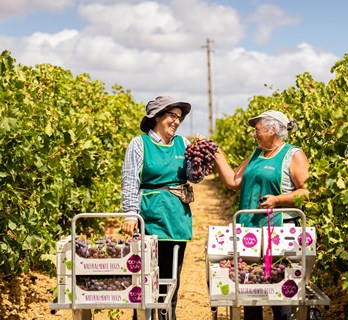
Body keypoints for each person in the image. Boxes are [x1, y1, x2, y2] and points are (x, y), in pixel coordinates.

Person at [214, 109, 310, 320]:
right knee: (250, 286)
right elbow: (233, 181)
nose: (254, 135)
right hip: (250, 231)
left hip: (279, 231)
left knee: (278, 289)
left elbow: (307, 191)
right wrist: (216, 153)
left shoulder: (293, 155)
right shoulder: (256, 154)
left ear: (273, 128)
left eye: (257, 130)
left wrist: (278, 200)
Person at [121, 96, 195, 320]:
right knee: (145, 278)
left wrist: (202, 160)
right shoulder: (140, 143)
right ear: (157, 117)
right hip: (149, 216)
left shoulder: (185, 144)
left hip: (176, 217)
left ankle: (168, 315)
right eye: (172, 116)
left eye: (179, 117)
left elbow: (195, 177)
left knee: (172, 276)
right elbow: (130, 179)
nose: (176, 121)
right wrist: (130, 213)